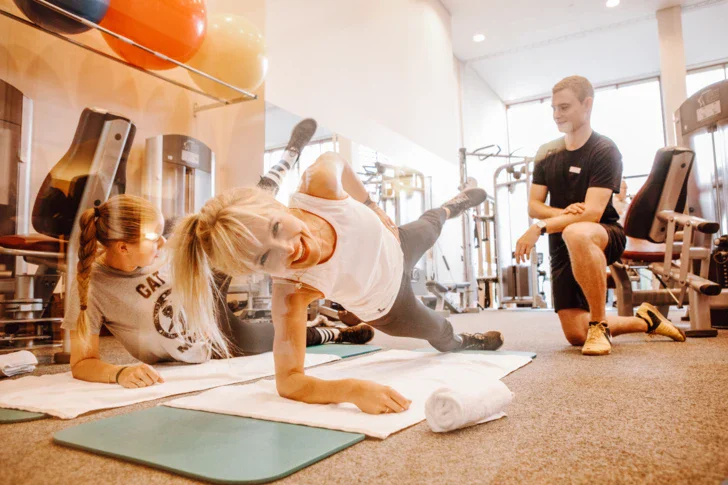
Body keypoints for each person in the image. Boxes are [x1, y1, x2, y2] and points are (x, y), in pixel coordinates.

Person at [169, 150, 504, 415]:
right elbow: (289, 382)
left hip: (396, 243)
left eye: (276, 228)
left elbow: (339, 160)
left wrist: (371, 204)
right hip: (389, 306)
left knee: (431, 223)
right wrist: (352, 390)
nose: (289, 249)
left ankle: (452, 205)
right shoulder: (292, 292)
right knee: (441, 332)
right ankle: (463, 341)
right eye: (264, 258)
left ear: (277, 205)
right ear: (254, 270)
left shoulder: (319, 187)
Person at [63, 121, 374, 389]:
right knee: (281, 335)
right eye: (150, 237)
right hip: (213, 342)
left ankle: (288, 157)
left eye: (160, 230)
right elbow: (83, 363)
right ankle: (336, 332)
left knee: (242, 222)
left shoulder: (172, 243)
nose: (161, 240)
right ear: (122, 246)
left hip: (203, 288)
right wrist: (119, 372)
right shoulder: (90, 285)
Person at [514, 75, 685, 356]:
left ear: (587, 105)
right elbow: (533, 205)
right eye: (554, 108)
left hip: (603, 233)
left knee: (577, 231)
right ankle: (646, 320)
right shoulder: (546, 153)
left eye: (565, 107)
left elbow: (592, 214)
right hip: (562, 241)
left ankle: (598, 324)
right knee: (575, 335)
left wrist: (542, 225)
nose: (557, 115)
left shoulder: (604, 150)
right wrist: (564, 213)